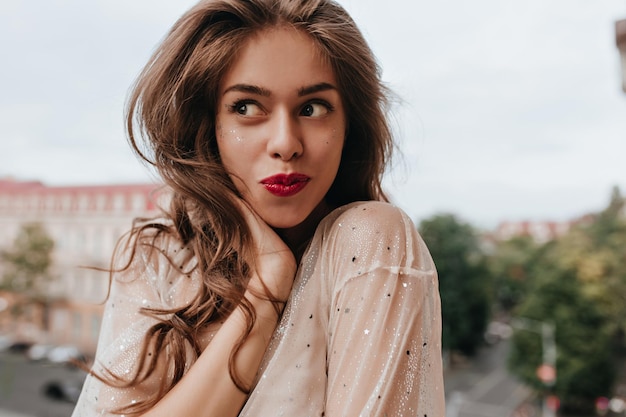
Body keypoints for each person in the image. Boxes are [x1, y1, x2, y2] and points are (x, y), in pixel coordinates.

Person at [72, 0, 445, 415]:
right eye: (246, 107)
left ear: (348, 126)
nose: (286, 143)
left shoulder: (371, 241)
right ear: (208, 125)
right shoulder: (157, 253)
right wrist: (268, 287)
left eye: (312, 108)